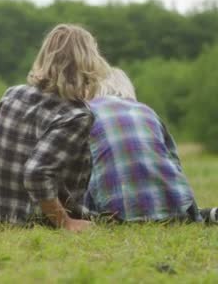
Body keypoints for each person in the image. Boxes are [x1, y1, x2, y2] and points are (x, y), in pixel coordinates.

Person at [0, 24, 110, 231]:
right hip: (37, 219)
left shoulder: (11, 94)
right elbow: (36, 173)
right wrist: (65, 222)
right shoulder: (76, 115)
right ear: (88, 62)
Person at [84, 67, 218, 224]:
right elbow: (174, 162)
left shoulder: (87, 112)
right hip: (173, 209)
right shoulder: (147, 111)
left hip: (115, 215)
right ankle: (205, 214)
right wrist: (194, 214)